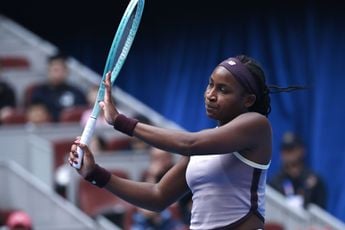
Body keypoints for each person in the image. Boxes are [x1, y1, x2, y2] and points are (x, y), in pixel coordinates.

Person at [69, 55, 274, 229]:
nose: (210, 95)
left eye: (223, 90)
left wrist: (120, 121)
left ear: (248, 100)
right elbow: (157, 196)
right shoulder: (205, 144)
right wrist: (94, 173)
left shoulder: (256, 125)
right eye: (210, 84)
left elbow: (189, 143)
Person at [269, 132, 327, 209]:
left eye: (292, 149)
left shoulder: (315, 181)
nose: (288, 154)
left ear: (302, 150)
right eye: (285, 150)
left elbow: (320, 212)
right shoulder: (275, 182)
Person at [28, 53, 87, 122]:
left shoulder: (77, 93)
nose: (58, 74)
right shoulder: (39, 93)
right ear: (48, 71)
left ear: (67, 71)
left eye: (61, 70)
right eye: (55, 70)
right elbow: (34, 115)